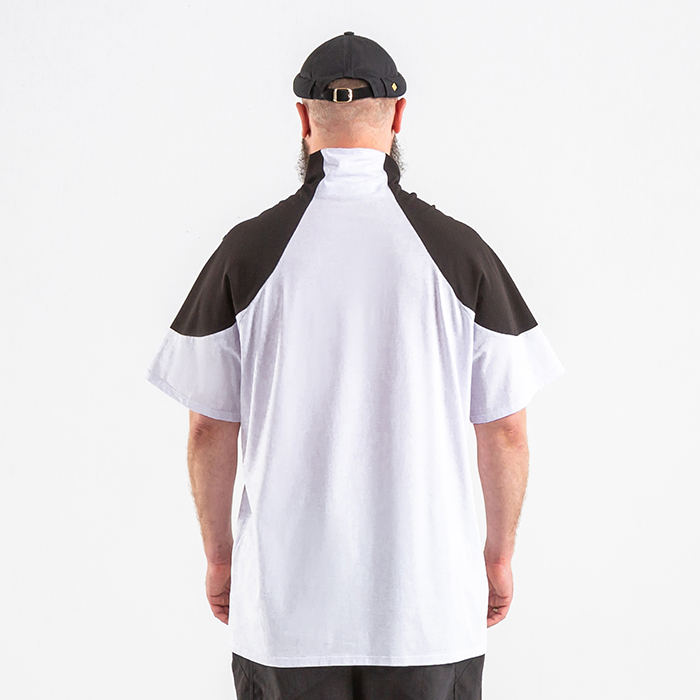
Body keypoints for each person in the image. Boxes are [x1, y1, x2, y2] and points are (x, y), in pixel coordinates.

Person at [145, 31, 564, 700]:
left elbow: (208, 429)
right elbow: (506, 430)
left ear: (302, 117)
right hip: (428, 613)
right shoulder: (463, 256)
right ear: (399, 116)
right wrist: (498, 557)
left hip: (285, 616)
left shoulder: (245, 255)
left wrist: (222, 559)